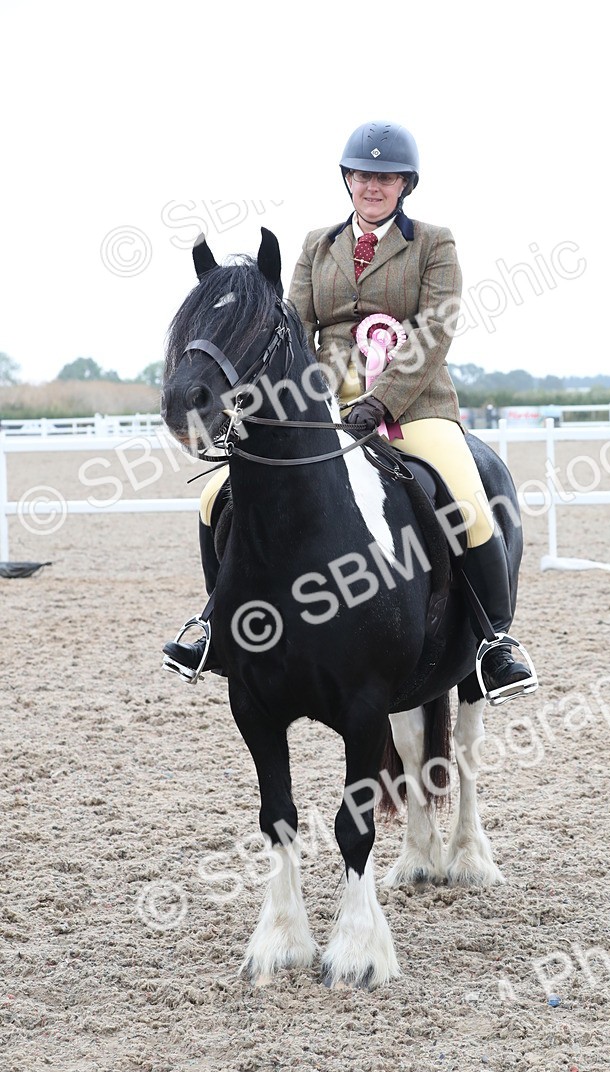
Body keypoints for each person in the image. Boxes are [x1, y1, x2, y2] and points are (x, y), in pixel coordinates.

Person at [163, 120, 534, 702]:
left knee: (466, 499)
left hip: (415, 404)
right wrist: (285, 401)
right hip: (324, 402)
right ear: (348, 180)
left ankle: (494, 643)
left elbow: (435, 333)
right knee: (217, 498)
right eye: (363, 175)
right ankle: (215, 625)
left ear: (406, 184)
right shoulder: (317, 244)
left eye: (386, 178)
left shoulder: (435, 243)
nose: (373, 186)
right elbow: (293, 327)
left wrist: (381, 403)